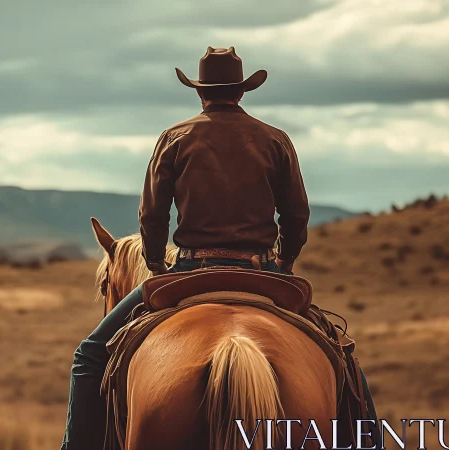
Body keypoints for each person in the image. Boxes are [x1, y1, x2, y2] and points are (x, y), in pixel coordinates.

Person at [61, 46, 376, 450]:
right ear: (242, 91)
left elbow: (152, 215)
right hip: (263, 271)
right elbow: (296, 215)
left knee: (89, 357)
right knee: (343, 358)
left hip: (189, 269)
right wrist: (284, 261)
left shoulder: (175, 138)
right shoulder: (275, 140)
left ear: (199, 91)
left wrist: (155, 263)